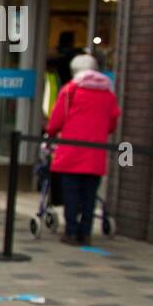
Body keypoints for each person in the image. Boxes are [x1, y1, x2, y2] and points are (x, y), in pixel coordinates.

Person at [46, 53, 120, 246]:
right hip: (96, 152)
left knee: (71, 193)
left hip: (72, 152)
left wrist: (51, 132)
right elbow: (112, 123)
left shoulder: (70, 90)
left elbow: (56, 120)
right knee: (89, 194)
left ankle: (71, 232)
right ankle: (85, 232)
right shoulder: (108, 94)